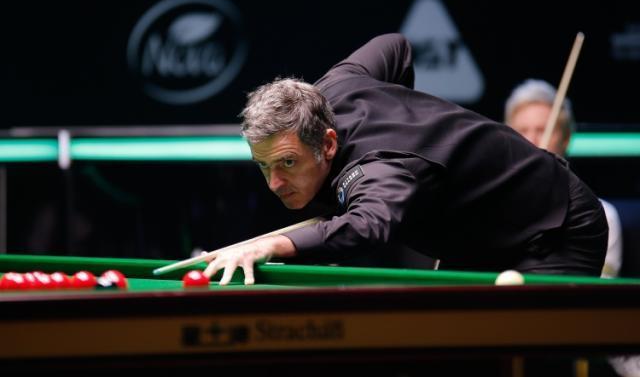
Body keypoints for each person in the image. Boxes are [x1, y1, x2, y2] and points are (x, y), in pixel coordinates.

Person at [203, 33, 608, 286]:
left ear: (327, 144)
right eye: (263, 166)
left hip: (555, 226)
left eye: (287, 163)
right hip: (479, 232)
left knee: (522, 354)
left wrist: (274, 244)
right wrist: (403, 112)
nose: (274, 183)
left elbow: (368, 227)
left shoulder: (381, 170)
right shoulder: (334, 89)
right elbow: (394, 45)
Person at [504, 79, 622, 278]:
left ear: (566, 138)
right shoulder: (489, 211)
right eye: (522, 130)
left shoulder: (600, 217)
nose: (531, 140)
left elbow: (594, 292)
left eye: (542, 130)